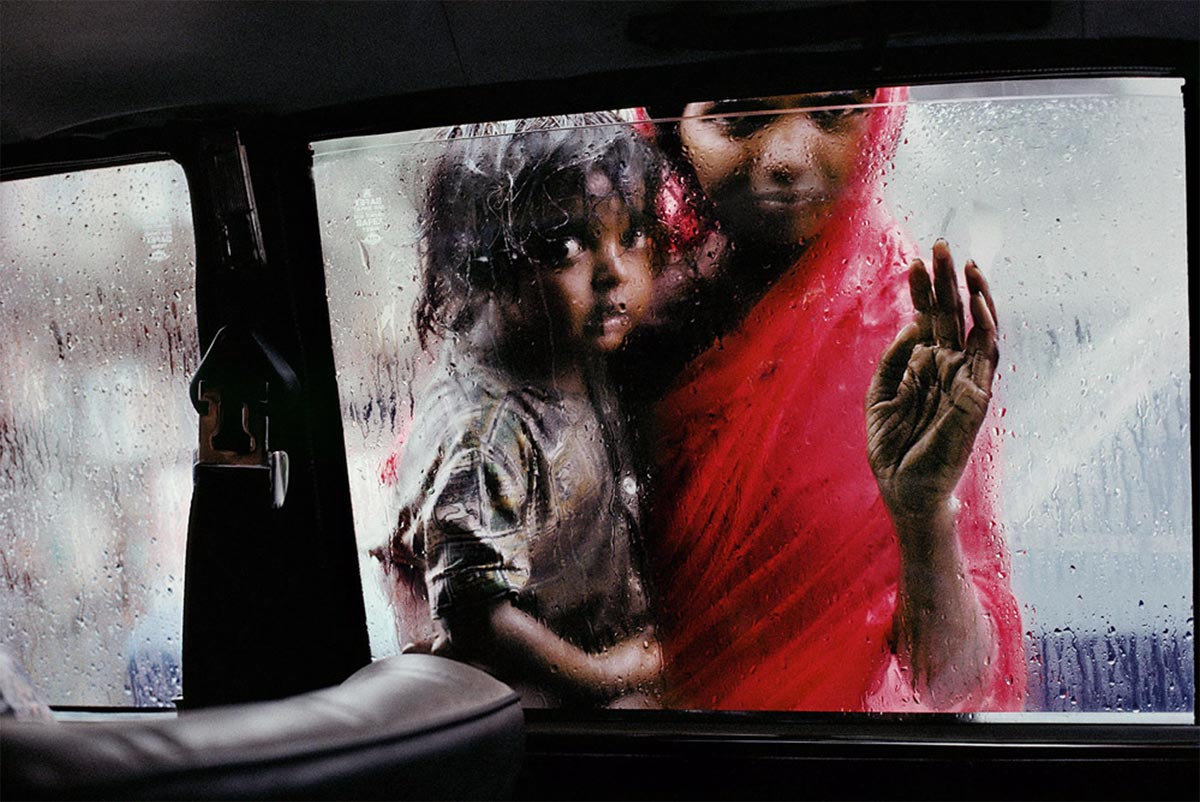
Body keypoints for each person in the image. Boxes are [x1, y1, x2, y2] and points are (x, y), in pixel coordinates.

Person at [623, 88, 1025, 711]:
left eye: (833, 112)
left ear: (881, 118)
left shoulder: (908, 333)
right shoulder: (610, 300)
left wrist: (923, 520)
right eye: (737, 119)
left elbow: (952, 688)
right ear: (670, 131)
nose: (787, 155)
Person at [376, 114, 665, 708]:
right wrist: (606, 675)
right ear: (482, 263)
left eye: (632, 233)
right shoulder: (486, 432)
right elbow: (476, 617)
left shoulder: (570, 343)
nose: (615, 273)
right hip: (540, 710)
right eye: (565, 245)